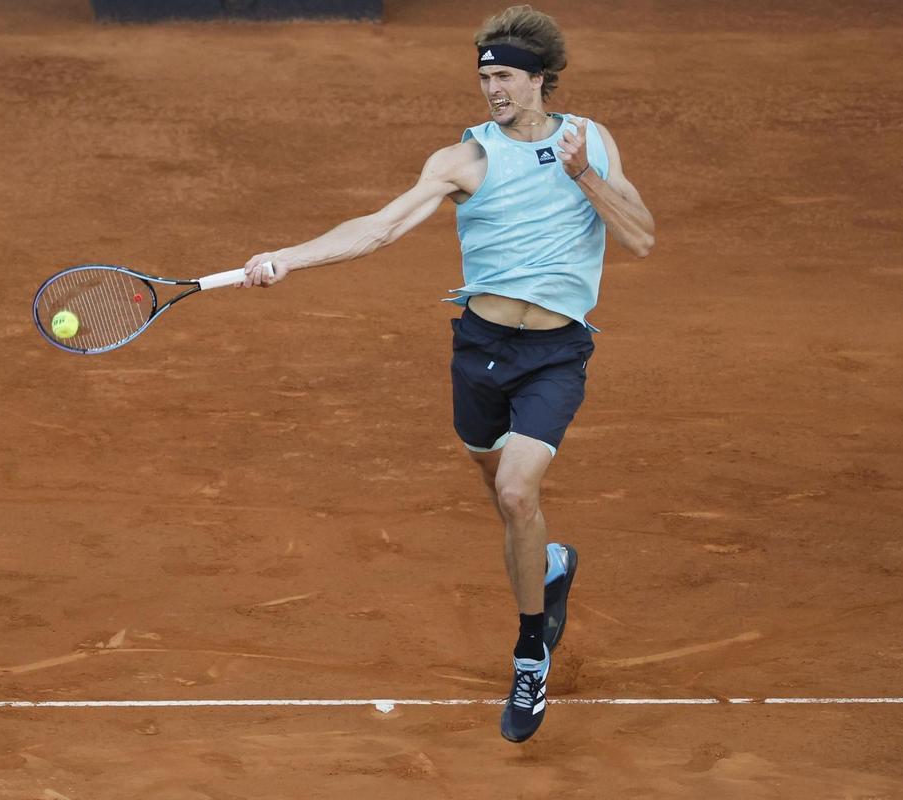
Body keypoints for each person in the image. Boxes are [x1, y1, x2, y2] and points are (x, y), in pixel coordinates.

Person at [239, 5, 654, 742]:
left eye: (503, 77)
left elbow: (641, 237)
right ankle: (551, 567)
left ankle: (531, 653)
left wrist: (585, 173)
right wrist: (288, 258)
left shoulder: (589, 143)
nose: (491, 89)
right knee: (500, 497)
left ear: (539, 80)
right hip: (481, 351)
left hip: (556, 354)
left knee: (518, 491)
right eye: (484, 76)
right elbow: (381, 226)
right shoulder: (463, 160)